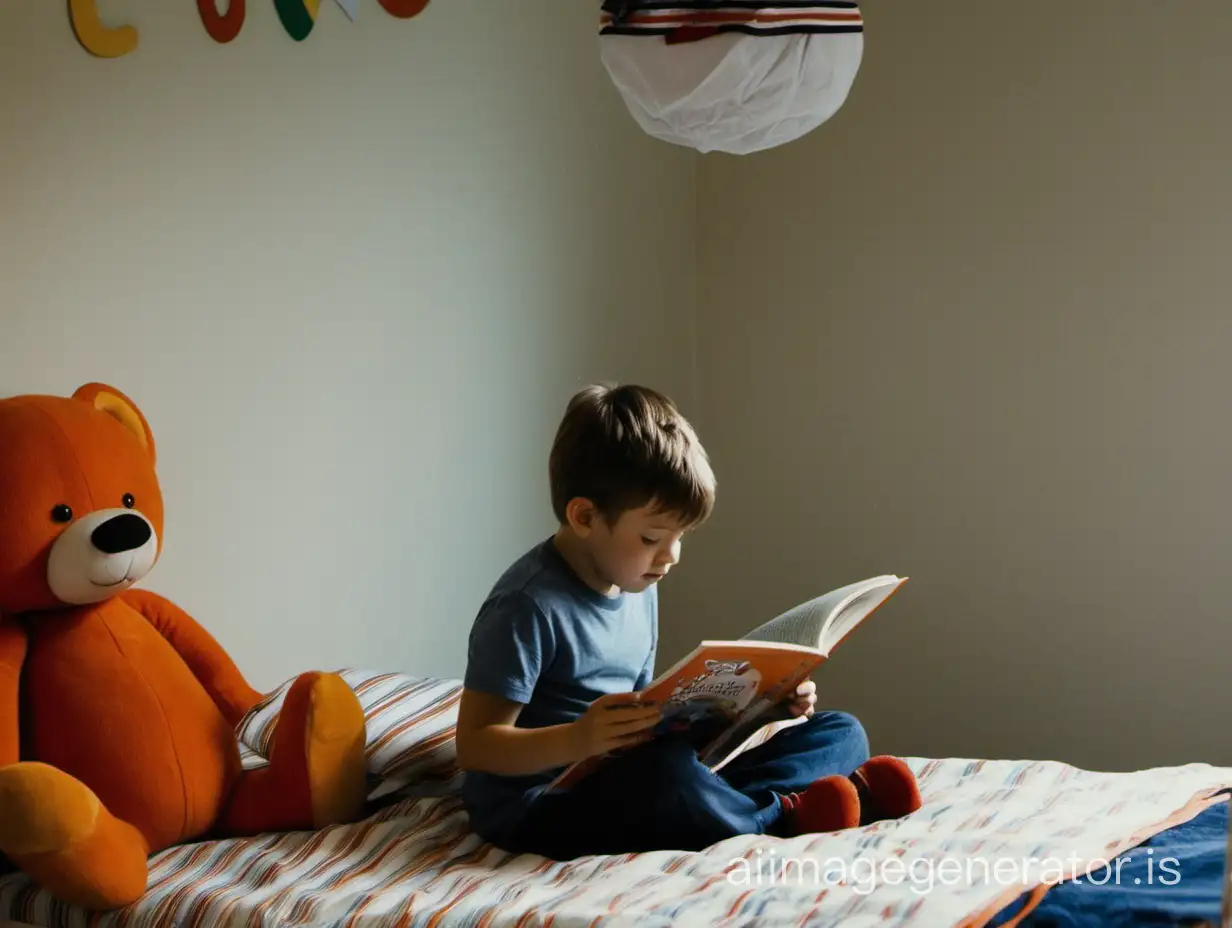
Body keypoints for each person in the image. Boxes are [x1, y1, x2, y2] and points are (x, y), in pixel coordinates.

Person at [457, 383, 920, 858]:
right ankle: (780, 818)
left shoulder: (637, 582)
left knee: (841, 730)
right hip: (542, 807)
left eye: (680, 536)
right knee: (664, 778)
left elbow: (642, 711)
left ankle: (762, 808)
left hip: (633, 773)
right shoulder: (526, 606)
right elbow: (475, 746)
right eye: (654, 537)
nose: (671, 556)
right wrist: (578, 739)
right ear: (584, 516)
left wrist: (766, 706)